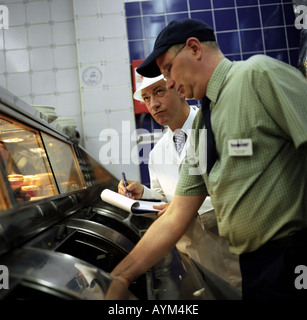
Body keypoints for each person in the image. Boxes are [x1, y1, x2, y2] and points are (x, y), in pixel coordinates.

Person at [109, 18, 307, 300]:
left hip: (293, 257)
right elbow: (177, 212)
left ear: (194, 48)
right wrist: (121, 275)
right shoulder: (205, 120)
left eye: (168, 70)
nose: (170, 82)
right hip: (256, 266)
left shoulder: (257, 75)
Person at [118, 75, 241, 290]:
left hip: (224, 245)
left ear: (181, 90)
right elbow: (164, 199)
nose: (153, 104)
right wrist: (143, 193)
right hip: (187, 253)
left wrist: (188, 208)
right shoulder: (156, 153)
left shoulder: (214, 129)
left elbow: (239, 187)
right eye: (146, 98)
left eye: (159, 92)